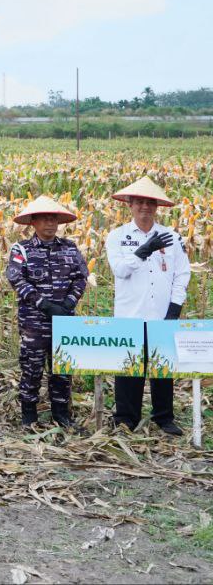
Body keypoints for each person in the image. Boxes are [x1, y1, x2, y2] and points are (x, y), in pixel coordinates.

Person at [106, 177, 191, 435]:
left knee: (163, 369)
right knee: (128, 369)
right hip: (129, 314)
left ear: (156, 207)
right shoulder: (117, 236)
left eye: (150, 203)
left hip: (161, 315)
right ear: (130, 205)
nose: (145, 207)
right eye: (140, 202)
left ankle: (164, 417)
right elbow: (119, 270)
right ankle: (126, 418)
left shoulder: (173, 238)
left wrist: (174, 308)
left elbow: (182, 274)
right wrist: (143, 251)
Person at [5, 195, 88, 429]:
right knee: (32, 367)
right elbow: (16, 279)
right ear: (33, 222)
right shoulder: (21, 249)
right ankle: (29, 414)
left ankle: (61, 413)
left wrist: (69, 303)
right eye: (44, 219)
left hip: (64, 320)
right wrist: (43, 303)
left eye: (54, 219)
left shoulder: (70, 248)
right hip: (34, 321)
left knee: (62, 369)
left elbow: (81, 278)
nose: (50, 224)